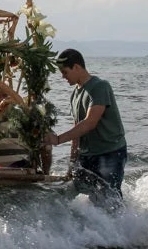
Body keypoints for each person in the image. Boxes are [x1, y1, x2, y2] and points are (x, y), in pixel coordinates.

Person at [44, 49, 127, 200]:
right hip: (86, 155)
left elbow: (90, 123)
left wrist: (57, 140)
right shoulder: (74, 95)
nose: (63, 76)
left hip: (109, 153)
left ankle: (126, 223)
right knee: (82, 194)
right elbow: (78, 130)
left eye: (65, 72)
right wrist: (72, 163)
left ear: (76, 67)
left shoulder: (100, 87)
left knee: (110, 199)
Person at [0, 90, 52, 174]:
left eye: (5, 96)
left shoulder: (23, 116)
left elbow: (44, 143)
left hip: (21, 168)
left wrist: (45, 174)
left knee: (45, 140)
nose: (2, 100)